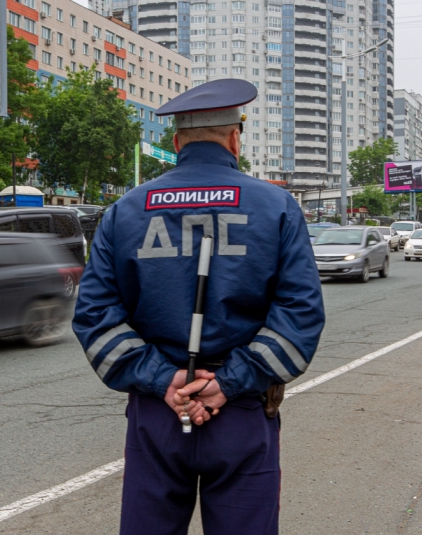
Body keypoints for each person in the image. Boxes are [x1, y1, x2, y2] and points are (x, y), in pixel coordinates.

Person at [72, 79, 326, 535]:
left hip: (158, 413)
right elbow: (300, 314)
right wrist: (228, 383)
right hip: (242, 414)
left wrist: (161, 379)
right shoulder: (277, 206)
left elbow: (94, 315)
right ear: (234, 138)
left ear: (176, 141)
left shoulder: (126, 210)